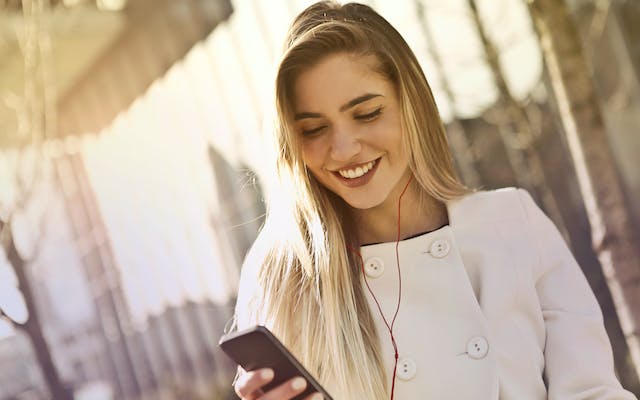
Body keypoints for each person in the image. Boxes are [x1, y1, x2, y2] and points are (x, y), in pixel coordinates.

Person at [230, 1, 638, 399]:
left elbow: (592, 391)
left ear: (413, 105)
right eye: (314, 129)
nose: (342, 148)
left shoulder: (512, 224)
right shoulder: (283, 277)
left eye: (367, 113)